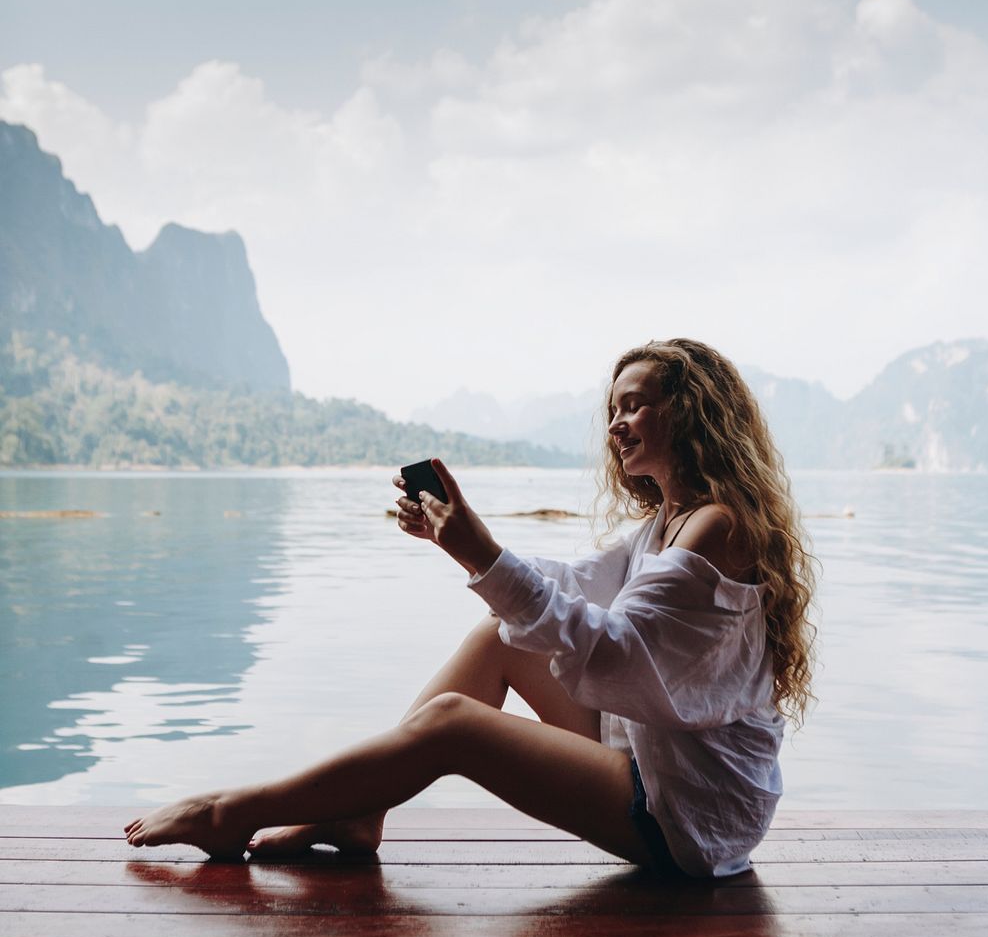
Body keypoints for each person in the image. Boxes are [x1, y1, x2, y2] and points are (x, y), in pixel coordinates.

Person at [124, 338, 816, 878]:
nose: (617, 424)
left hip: (690, 818)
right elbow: (572, 585)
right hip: (658, 770)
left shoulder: (716, 524)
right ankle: (360, 814)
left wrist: (479, 554)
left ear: (691, 413)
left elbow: (615, 653)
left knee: (453, 725)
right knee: (501, 636)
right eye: (612, 410)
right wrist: (463, 541)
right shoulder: (668, 522)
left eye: (634, 405)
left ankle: (230, 812)